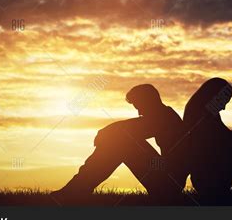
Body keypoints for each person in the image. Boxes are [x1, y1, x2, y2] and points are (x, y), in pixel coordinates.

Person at [52, 84, 190, 200]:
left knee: (121, 143)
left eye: (140, 106)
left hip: (168, 185)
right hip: (167, 180)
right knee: (119, 142)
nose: (139, 112)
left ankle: (76, 190)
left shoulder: (163, 117)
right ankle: (77, 189)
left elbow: (128, 129)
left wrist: (105, 133)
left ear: (149, 101)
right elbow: (130, 128)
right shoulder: (164, 115)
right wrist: (108, 133)